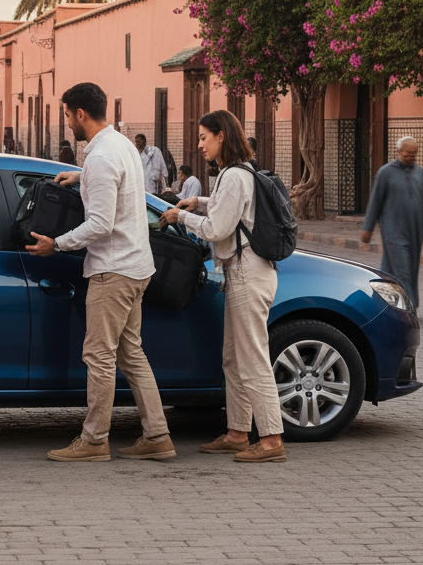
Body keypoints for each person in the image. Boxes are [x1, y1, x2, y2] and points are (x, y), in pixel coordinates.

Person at [27, 82, 173, 463]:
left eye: (65, 115)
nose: (66, 123)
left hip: (114, 271)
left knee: (99, 356)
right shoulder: (120, 145)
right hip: (136, 267)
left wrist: (55, 244)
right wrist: (79, 177)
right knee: (131, 355)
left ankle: (94, 440)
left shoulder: (101, 158)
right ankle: (157, 435)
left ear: (80, 114)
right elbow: (117, 188)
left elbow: (101, 224)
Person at [160, 109, 286, 463]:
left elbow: (217, 230)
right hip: (243, 272)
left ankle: (273, 440)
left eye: (203, 137)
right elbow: (229, 210)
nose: (199, 144)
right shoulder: (238, 172)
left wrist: (180, 215)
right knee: (233, 358)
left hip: (248, 272)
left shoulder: (232, 176)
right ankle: (237, 432)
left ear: (221, 136)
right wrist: (198, 201)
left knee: (253, 359)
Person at [361, 136, 423, 308]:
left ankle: (380, 304)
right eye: (407, 152)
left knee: (395, 270)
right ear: (398, 151)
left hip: (415, 230)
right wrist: (367, 228)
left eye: (414, 153)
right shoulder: (385, 173)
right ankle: (409, 307)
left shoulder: (419, 173)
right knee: (403, 269)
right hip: (393, 230)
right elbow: (375, 201)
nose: (410, 156)